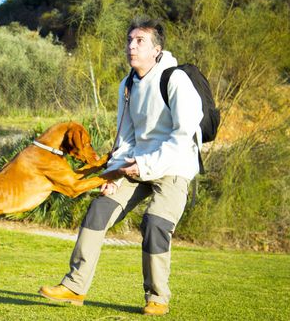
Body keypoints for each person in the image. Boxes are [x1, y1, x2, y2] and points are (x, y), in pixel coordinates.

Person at [38, 17, 203, 316]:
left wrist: (145, 164)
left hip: (175, 164)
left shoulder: (176, 80)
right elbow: (125, 136)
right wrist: (112, 173)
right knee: (99, 209)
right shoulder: (127, 84)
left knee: (155, 223)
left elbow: (183, 136)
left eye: (139, 41)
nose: (131, 46)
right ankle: (75, 287)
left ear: (157, 49)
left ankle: (157, 297)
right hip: (135, 163)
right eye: (129, 40)